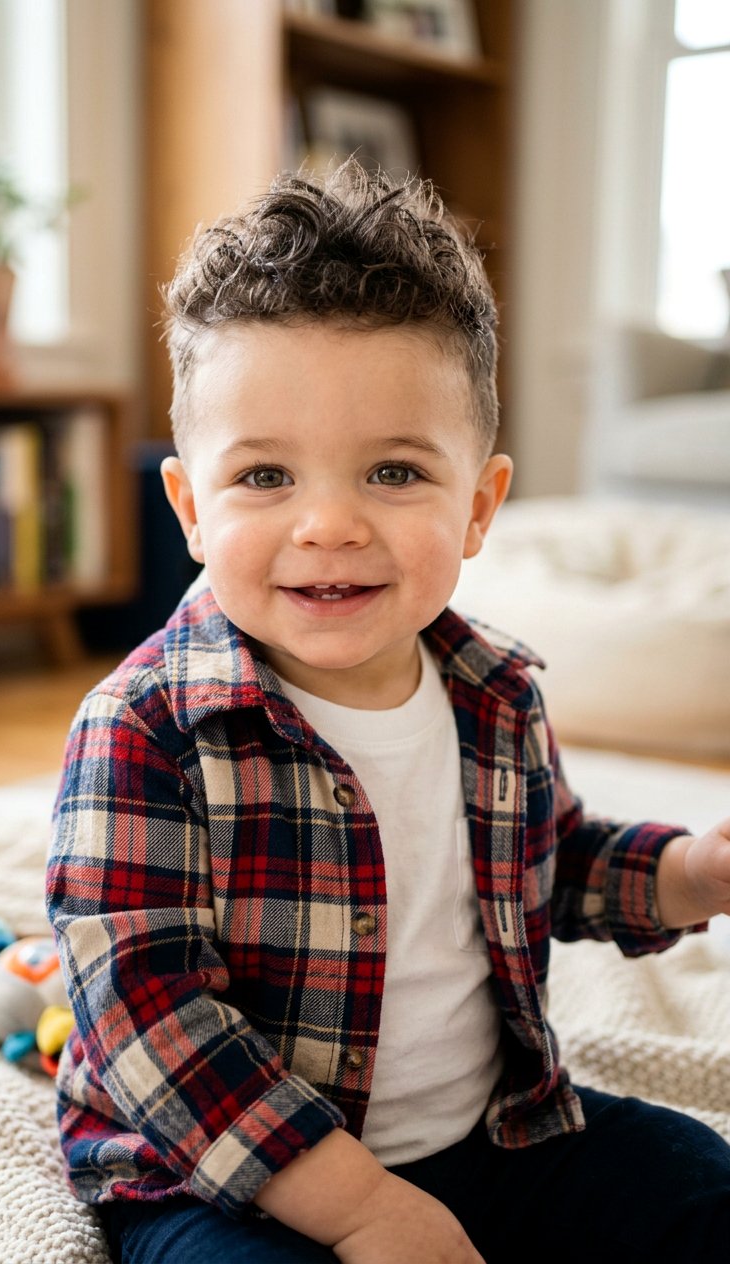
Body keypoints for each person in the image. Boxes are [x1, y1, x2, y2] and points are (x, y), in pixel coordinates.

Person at [45, 160, 730, 1264]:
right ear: (188, 507)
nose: (327, 524)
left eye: (393, 473)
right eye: (265, 477)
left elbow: (547, 860)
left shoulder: (494, 693)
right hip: (222, 1177)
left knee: (698, 1182)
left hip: (485, 1136)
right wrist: (364, 1210)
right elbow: (148, 1019)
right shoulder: (144, 728)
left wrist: (691, 871)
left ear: (477, 506)